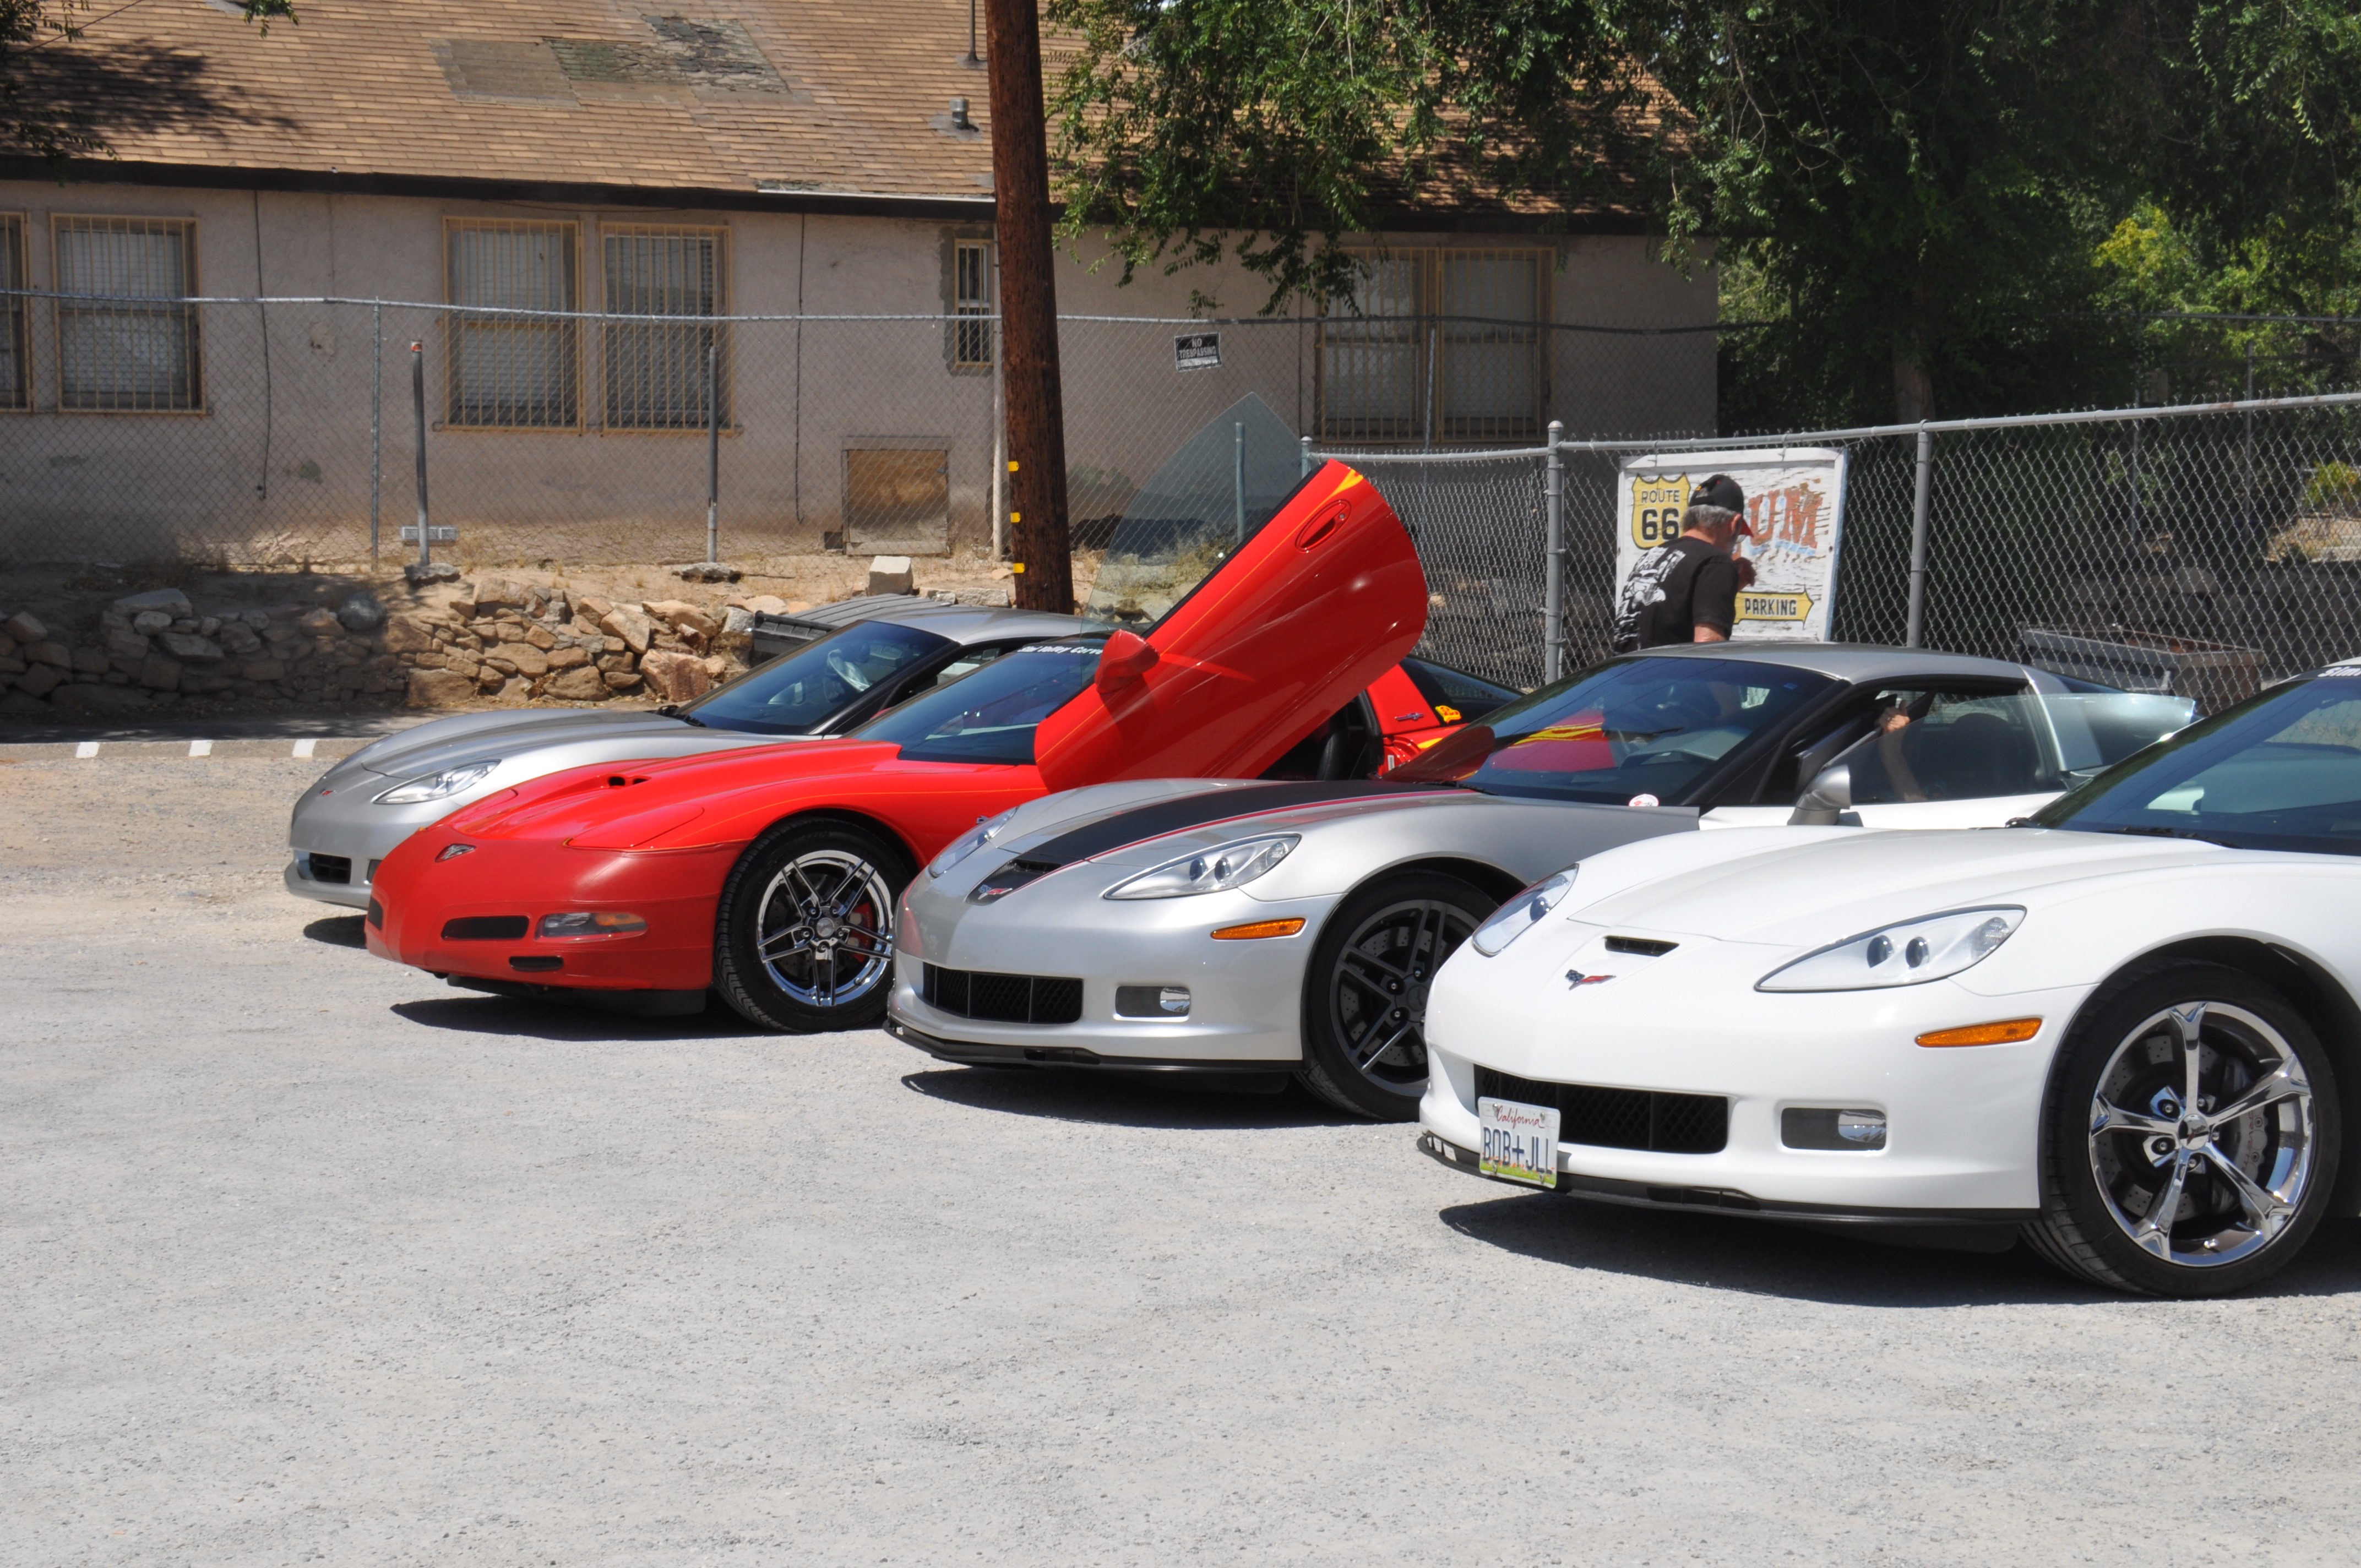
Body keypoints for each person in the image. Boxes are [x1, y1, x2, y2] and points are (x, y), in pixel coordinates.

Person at [1611, 474, 1753, 652]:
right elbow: (1708, 646)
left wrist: (1728, 587)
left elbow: (1662, 619)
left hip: (1624, 674)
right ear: (1734, 524)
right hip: (1670, 678)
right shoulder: (1716, 563)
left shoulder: (1653, 556)